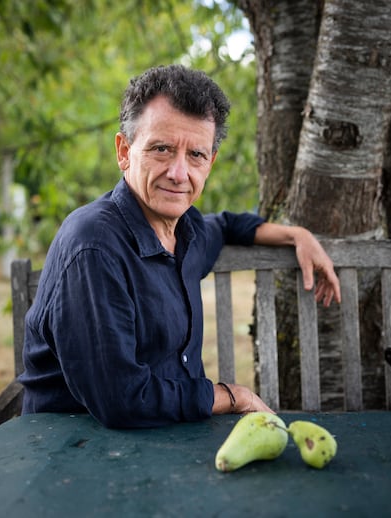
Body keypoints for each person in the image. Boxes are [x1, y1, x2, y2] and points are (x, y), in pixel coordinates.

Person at [19, 64, 341, 428]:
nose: (178, 173)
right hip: (74, 449)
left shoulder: (186, 231)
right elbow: (122, 400)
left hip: (168, 439)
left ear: (211, 163)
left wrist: (296, 235)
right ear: (124, 151)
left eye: (196, 155)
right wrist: (231, 396)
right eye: (161, 149)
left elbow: (225, 225)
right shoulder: (93, 244)